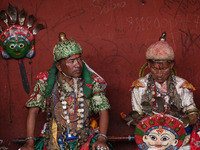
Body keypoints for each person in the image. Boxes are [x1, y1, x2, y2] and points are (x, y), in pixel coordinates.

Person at [20, 32, 111, 150]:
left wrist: (101, 139)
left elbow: (103, 110)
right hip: (53, 137)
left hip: (84, 137)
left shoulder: (92, 81)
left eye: (79, 59)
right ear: (59, 66)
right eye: (71, 61)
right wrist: (30, 143)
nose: (78, 65)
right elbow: (33, 111)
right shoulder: (46, 80)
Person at [130, 34, 199, 149]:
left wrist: (177, 123)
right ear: (148, 65)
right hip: (151, 138)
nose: (159, 73)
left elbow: (193, 114)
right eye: (154, 68)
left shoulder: (182, 86)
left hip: (178, 137)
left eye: (164, 68)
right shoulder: (139, 86)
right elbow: (136, 116)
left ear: (171, 65)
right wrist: (154, 128)